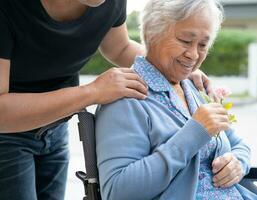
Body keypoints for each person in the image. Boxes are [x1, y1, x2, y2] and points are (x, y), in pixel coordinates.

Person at [0, 0, 213, 199]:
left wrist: (172, 67)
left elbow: (120, 48)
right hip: (7, 134)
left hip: (55, 128)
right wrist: (92, 92)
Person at [95, 0, 257, 199]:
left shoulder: (193, 87)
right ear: (151, 34)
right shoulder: (126, 98)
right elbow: (118, 192)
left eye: (203, 44)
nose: (193, 54)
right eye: (185, 40)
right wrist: (194, 133)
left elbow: (236, 142)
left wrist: (238, 161)